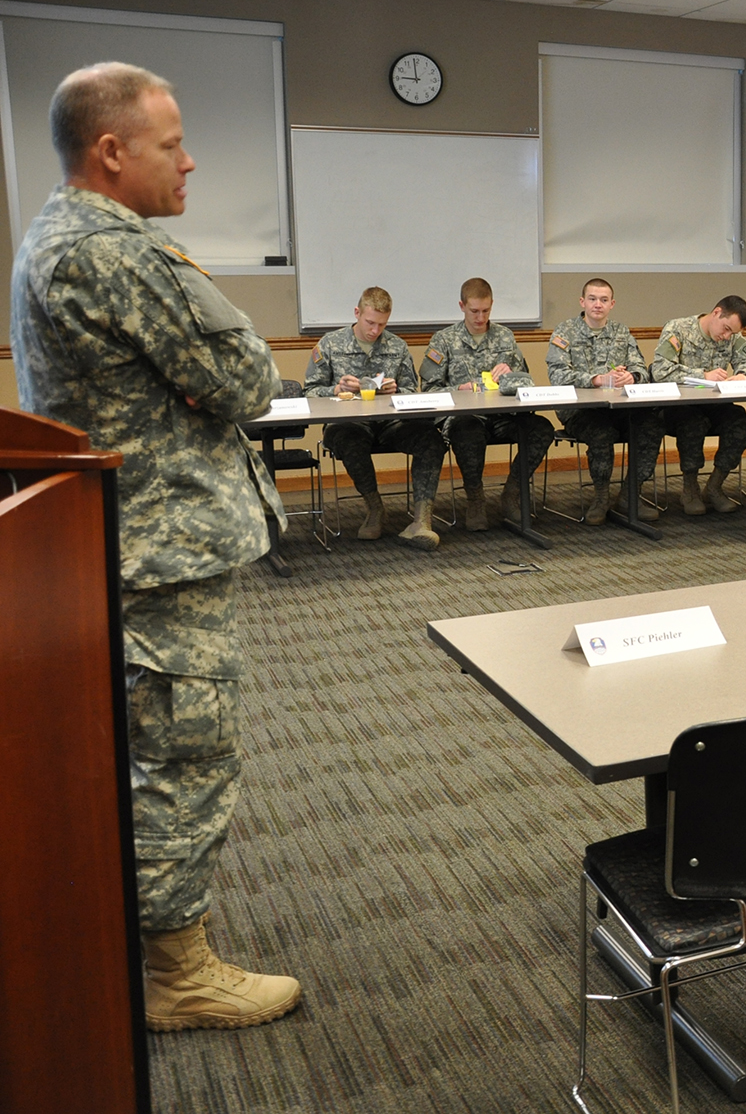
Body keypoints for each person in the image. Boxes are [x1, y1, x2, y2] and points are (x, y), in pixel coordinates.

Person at [11, 61, 301, 1028]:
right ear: (111, 151)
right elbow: (247, 377)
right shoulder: (108, 248)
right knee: (184, 756)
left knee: (150, 750)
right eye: (172, 145)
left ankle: (142, 945)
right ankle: (177, 975)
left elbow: (211, 380)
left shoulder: (58, 235)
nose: (190, 161)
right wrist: (200, 377)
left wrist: (194, 381)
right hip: (158, 553)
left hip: (129, 542)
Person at [303, 286, 445, 549]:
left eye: (382, 324)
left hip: (391, 423)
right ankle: (375, 508)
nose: (375, 330)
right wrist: (336, 389)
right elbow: (309, 392)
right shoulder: (330, 345)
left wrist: (396, 390)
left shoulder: (397, 346)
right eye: (370, 322)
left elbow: (412, 391)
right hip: (350, 422)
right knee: (348, 439)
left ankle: (421, 521)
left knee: (431, 440)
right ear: (357, 313)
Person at [419, 278, 554, 532]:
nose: (480, 318)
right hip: (465, 417)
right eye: (474, 311)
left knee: (541, 428)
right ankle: (475, 499)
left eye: (486, 311)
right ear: (462, 306)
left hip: (503, 416)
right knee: (467, 429)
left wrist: (512, 374)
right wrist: (459, 389)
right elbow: (429, 390)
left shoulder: (505, 337)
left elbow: (528, 383)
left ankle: (512, 492)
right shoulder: (444, 340)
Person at [544, 277, 661, 524]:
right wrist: (596, 379)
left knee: (651, 424)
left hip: (619, 407)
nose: (598, 304)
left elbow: (641, 366)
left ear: (612, 304)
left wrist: (633, 376)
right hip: (579, 410)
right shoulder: (564, 332)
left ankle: (631, 494)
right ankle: (601, 497)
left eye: (604, 300)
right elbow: (558, 375)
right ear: (582, 302)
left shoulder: (621, 332)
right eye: (593, 299)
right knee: (601, 433)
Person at [652, 296, 746, 515]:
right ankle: (690, 489)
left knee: (742, 424)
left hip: (714, 404)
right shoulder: (679, 329)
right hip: (678, 407)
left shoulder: (732, 337)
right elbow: (660, 371)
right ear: (717, 312)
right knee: (693, 423)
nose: (726, 336)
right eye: (726, 328)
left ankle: (715, 486)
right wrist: (702, 375)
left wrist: (743, 375)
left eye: (732, 333)